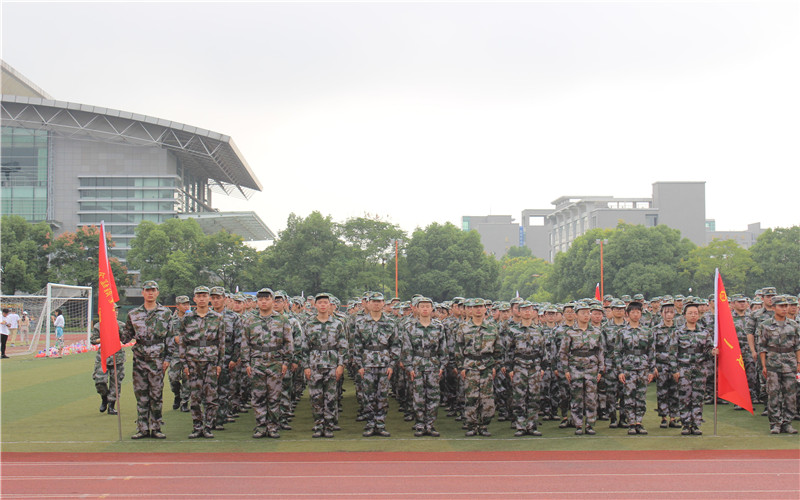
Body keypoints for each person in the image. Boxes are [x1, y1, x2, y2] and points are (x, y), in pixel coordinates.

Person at [121, 281, 172, 440]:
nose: (150, 293)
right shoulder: (133, 314)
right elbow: (126, 337)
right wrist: (111, 327)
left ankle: (156, 427)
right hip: (140, 358)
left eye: (153, 290)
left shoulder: (166, 313)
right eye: (147, 290)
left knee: (156, 394)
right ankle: (142, 427)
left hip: (158, 357)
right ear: (142, 293)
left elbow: (170, 337)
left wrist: (168, 358)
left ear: (157, 293)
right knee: (141, 394)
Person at [241, 288, 293, 439]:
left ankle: (272, 426)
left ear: (272, 301)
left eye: (267, 299)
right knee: (258, 396)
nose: (263, 302)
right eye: (261, 299)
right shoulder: (250, 320)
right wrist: (246, 363)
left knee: (274, 396)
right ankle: (260, 426)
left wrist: (286, 362)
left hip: (276, 361)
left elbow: (288, 343)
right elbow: (245, 344)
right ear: (257, 302)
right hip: (257, 362)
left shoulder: (282, 320)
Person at [179, 286, 225, 439]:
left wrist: (219, 364)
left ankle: (208, 426)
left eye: (205, 296)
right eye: (199, 296)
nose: (202, 298)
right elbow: (182, 343)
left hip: (211, 361)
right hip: (193, 361)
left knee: (211, 396)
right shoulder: (187, 318)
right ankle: (197, 426)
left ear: (209, 298)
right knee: (195, 396)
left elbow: (221, 342)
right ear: (194, 299)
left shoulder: (217, 318)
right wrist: (184, 364)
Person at [300, 292, 348, 438]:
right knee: (316, 397)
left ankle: (329, 424)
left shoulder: (337, 324)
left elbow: (343, 347)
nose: (322, 305)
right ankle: (319, 424)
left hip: (332, 364)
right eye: (319, 303)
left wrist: (341, 365)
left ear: (330, 305)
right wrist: (306, 366)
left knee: (331, 396)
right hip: (315, 365)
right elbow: (303, 347)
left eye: (325, 303)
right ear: (315, 305)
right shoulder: (309, 324)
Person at [353, 292, 399, 437]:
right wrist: (359, 365)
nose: (376, 304)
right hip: (367, 363)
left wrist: (392, 364)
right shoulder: (361, 322)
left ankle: (380, 424)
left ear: (383, 303)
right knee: (368, 395)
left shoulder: (390, 322)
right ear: (368, 303)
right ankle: (370, 424)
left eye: (379, 301)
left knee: (383, 395)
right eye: (373, 301)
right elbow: (356, 346)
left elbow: (395, 345)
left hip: (384, 363)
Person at [456, 298, 501, 437]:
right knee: (471, 397)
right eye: (475, 307)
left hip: (487, 365)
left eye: (481, 306)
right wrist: (461, 367)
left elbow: (498, 349)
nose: (478, 309)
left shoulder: (492, 327)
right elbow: (458, 349)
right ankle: (472, 425)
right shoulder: (463, 327)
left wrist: (495, 366)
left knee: (487, 398)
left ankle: (484, 425)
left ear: (485, 309)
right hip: (470, 366)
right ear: (470, 309)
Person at [402, 297, 447, 437]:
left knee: (433, 396)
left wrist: (442, 366)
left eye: (428, 306)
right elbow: (407, 349)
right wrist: (409, 367)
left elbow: (443, 349)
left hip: (433, 364)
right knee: (418, 396)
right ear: (417, 308)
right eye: (422, 306)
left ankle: (430, 424)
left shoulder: (439, 326)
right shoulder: (410, 327)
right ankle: (420, 424)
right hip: (417, 364)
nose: (425, 309)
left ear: (432, 309)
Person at [671, 302, 717, 436]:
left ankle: (696, 424)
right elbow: (673, 353)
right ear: (684, 315)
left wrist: (713, 352)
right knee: (685, 397)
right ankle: (685, 424)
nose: (693, 316)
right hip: (684, 369)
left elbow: (708, 351)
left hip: (699, 369)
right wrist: (675, 370)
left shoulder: (704, 332)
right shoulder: (678, 332)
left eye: (695, 313)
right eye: (690, 313)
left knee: (698, 397)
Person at [559, 302, 604, 435]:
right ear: (576, 315)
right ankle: (578, 424)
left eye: (587, 313)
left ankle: (590, 424)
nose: (586, 315)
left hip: (591, 368)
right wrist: (566, 370)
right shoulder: (570, 332)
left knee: (591, 397)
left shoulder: (596, 332)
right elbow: (563, 352)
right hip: (575, 368)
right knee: (576, 397)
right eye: (582, 313)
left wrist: (601, 369)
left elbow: (600, 352)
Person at [757, 295, 800, 434]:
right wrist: (764, 365)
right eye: (781, 306)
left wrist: (798, 363)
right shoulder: (765, 325)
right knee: (774, 394)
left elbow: (797, 346)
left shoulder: (793, 325)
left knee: (790, 394)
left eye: (786, 306)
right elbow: (762, 347)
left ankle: (787, 423)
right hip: (773, 363)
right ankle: (775, 423)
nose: (784, 308)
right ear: (774, 307)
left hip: (790, 363)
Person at [505, 301, 547, 436]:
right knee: (519, 396)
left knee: (534, 396)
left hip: (535, 366)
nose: (527, 312)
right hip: (519, 365)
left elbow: (543, 350)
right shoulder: (513, 330)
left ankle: (532, 425)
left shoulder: (539, 329)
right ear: (519, 312)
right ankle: (521, 425)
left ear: (533, 312)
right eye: (524, 310)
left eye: (529, 309)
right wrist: (510, 368)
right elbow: (508, 351)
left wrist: (543, 367)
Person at [615, 301, 656, 435]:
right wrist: (620, 371)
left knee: (640, 396)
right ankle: (631, 422)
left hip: (643, 367)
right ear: (628, 314)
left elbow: (651, 351)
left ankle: (639, 422)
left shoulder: (647, 331)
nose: (635, 314)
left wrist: (651, 370)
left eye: (638, 312)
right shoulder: (622, 332)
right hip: (628, 368)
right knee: (629, 395)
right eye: (633, 312)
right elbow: (617, 352)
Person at [90, 304, 126, 415]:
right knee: (99, 381)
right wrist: (103, 338)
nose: (115, 312)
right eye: (113, 310)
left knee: (116, 383)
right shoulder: (99, 326)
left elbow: (125, 338)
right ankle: (104, 397)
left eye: (116, 310)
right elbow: (93, 340)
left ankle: (111, 406)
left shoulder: (120, 325)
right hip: (103, 356)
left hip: (117, 356)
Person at [167, 296, 191, 412]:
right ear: (177, 306)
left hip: (188, 353)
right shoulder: (172, 320)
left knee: (187, 378)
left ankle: (185, 401)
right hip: (175, 353)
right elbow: (175, 338)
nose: (186, 306)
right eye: (183, 304)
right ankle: (177, 395)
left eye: (187, 304)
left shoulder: (192, 319)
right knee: (173, 378)